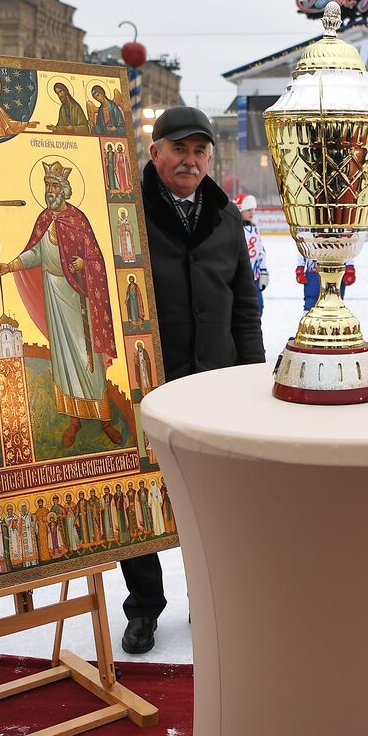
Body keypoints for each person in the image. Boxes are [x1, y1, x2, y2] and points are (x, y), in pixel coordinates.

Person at [123, 104, 264, 655]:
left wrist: (252, 375)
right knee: (141, 497)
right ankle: (144, 608)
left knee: (213, 502)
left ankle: (207, 597)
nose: (190, 159)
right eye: (178, 148)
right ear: (154, 152)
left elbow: (244, 306)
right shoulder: (126, 213)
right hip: (147, 383)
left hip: (215, 384)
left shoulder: (225, 218)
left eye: (199, 150)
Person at [0, 161, 120, 448]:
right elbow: (35, 254)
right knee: (63, 357)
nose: (50, 191)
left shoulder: (78, 220)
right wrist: (11, 265)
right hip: (54, 296)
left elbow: (97, 259)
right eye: (47, 186)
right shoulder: (44, 220)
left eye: (54, 186)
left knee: (85, 356)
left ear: (64, 190)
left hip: (78, 297)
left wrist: (83, 263)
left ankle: (105, 420)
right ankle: (74, 420)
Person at [234, 193, 269, 312]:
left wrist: (263, 272)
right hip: (239, 278)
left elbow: (260, 252)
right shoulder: (234, 229)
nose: (251, 212)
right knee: (242, 309)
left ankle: (254, 331)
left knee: (258, 307)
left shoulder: (255, 229)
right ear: (239, 210)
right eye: (248, 210)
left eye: (252, 209)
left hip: (254, 278)